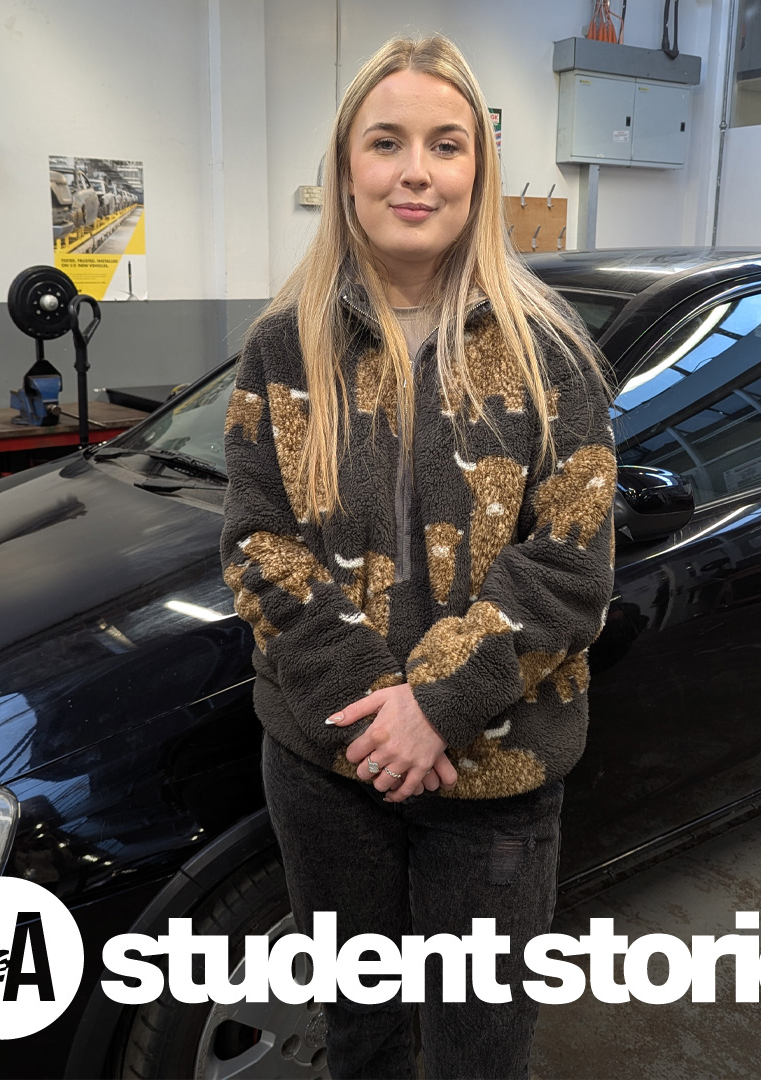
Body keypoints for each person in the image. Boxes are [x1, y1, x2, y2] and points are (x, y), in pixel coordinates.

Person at [220, 33, 616, 1080]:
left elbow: (571, 564)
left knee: (481, 1048)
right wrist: (372, 710)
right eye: (385, 142)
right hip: (325, 764)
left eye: (446, 144)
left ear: (477, 172)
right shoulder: (281, 345)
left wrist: (433, 705)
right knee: (365, 1039)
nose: (414, 170)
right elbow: (261, 544)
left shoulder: (550, 352)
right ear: (345, 168)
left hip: (497, 767)